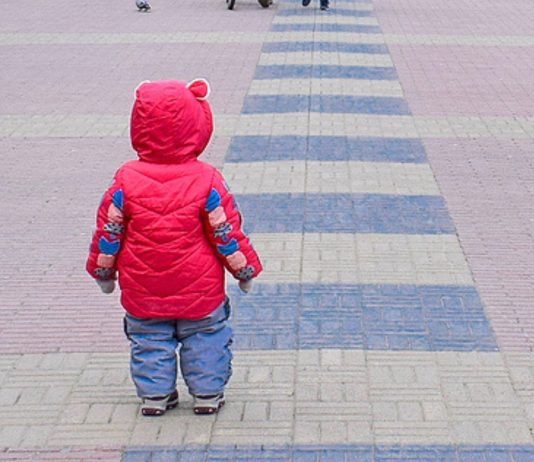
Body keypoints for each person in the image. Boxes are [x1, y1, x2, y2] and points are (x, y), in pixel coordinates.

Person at [86, 79, 263, 416]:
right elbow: (225, 232)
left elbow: (109, 231)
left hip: (143, 287)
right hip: (200, 286)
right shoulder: (207, 179)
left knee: (150, 339)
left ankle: (155, 396)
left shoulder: (125, 179)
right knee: (206, 336)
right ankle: (208, 393)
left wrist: (103, 272)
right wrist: (244, 270)